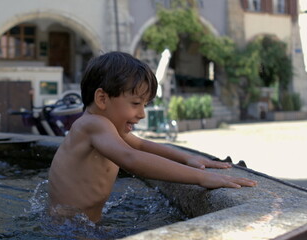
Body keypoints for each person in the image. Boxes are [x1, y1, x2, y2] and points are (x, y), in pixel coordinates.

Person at [47, 51, 257, 223]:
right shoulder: (92, 124)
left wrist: (187, 158)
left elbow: (141, 145)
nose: (142, 114)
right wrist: (202, 177)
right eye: (136, 103)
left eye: (144, 105)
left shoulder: (106, 128)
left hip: (82, 227)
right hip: (67, 230)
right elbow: (132, 158)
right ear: (102, 98)